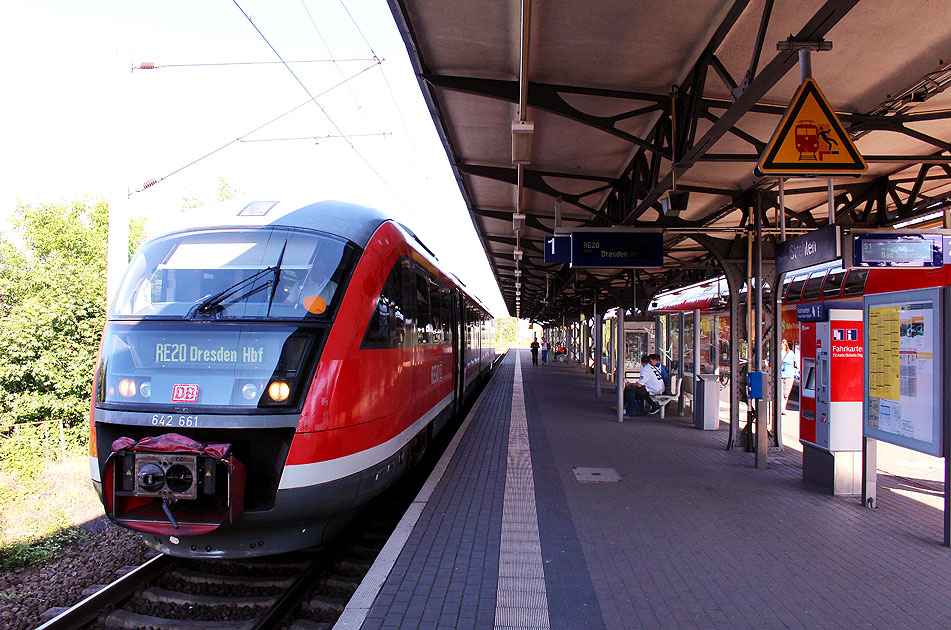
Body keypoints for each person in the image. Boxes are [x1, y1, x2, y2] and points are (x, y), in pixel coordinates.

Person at [780, 339, 799, 414]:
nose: (781, 346)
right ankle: (781, 409)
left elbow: (796, 362)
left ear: (786, 345)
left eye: (783, 344)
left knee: (786, 393)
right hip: (780, 375)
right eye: (780, 344)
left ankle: (783, 408)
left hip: (789, 375)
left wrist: (797, 369)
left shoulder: (791, 353)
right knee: (780, 393)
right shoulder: (776, 353)